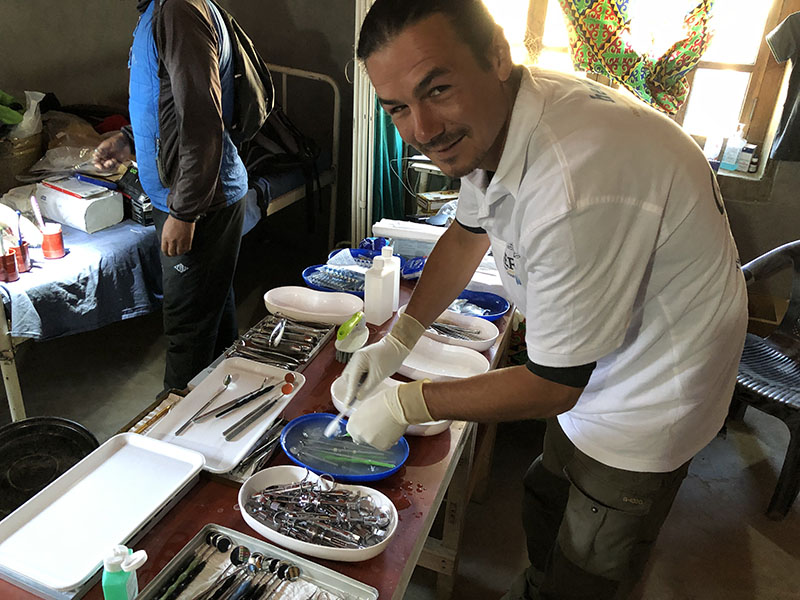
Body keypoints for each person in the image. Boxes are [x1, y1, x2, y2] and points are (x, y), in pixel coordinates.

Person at [340, 1, 748, 598]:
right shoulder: (501, 121)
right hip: (598, 365)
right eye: (398, 107)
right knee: (548, 504)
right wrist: (400, 337)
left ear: (497, 56)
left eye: (438, 89)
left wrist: (408, 404)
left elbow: (554, 385)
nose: (422, 130)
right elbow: (467, 233)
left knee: (589, 564)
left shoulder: (574, 180)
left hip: (651, 392)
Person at [94, 0, 248, 392]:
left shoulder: (179, 10)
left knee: (188, 331)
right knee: (212, 316)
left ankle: (175, 422)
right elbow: (166, 97)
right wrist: (129, 140)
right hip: (188, 195)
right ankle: (223, 404)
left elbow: (201, 117)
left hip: (199, 200)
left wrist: (185, 212)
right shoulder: (160, 9)